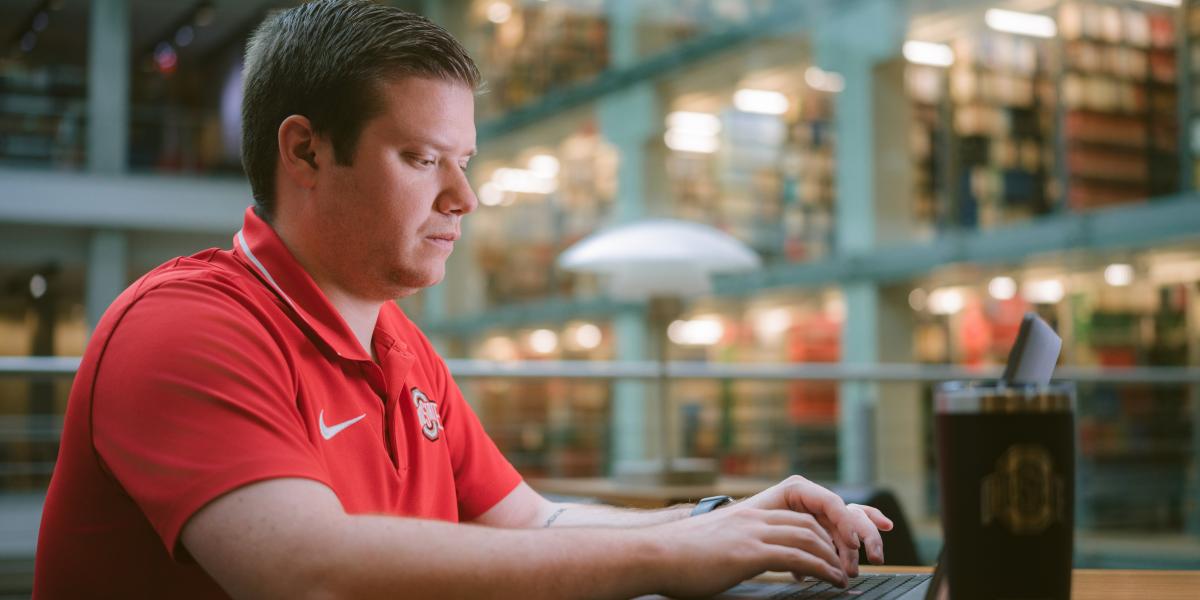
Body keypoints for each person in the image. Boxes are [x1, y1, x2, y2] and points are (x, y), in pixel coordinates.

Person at [34, 1, 893, 597]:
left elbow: (533, 522)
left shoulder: (397, 343)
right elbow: (308, 574)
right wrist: (670, 555)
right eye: (422, 160)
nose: (464, 199)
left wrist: (721, 523)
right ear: (305, 153)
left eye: (465, 162)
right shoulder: (184, 327)